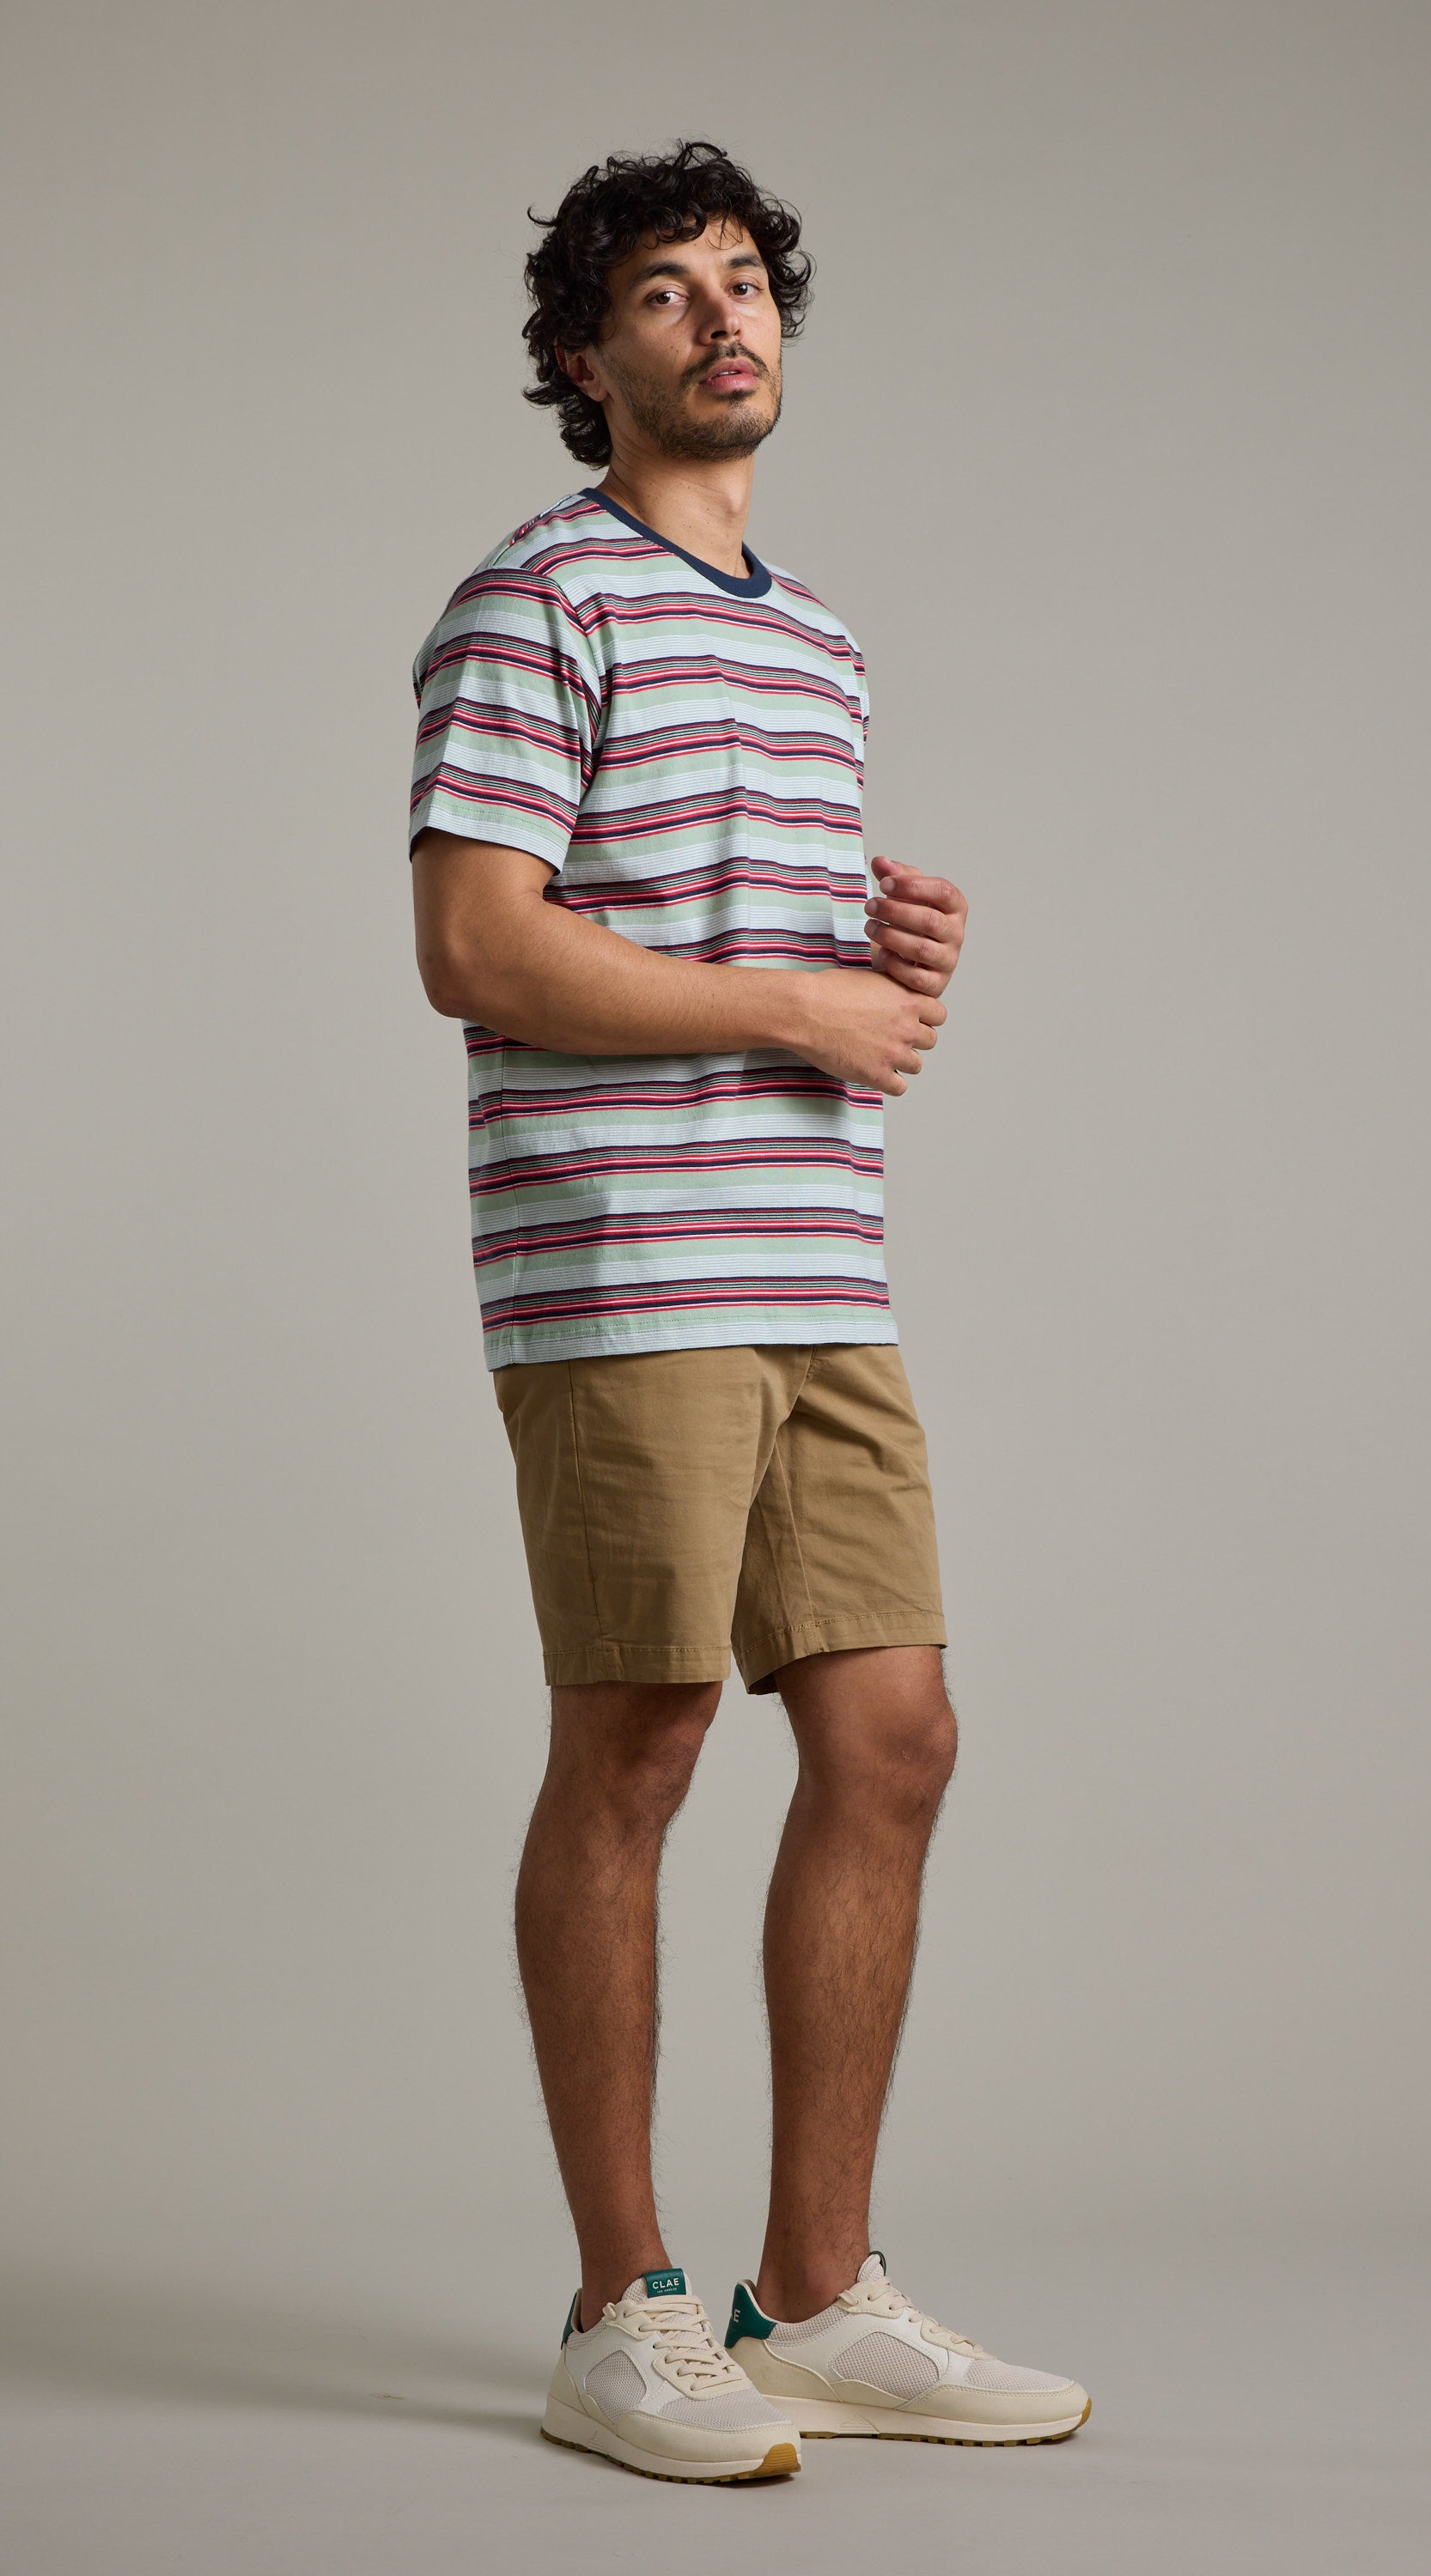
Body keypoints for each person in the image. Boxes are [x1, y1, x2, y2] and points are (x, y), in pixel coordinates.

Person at [409, 139, 1088, 2485]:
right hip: (624, 1264)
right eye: (663, 294)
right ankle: (622, 2311)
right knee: (642, 1744)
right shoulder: (534, 601)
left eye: (743, 283)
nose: (722, 319)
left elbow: (747, 951)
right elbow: (476, 944)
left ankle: (809, 2295)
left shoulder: (818, 640)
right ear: (583, 359)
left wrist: (884, 964)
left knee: (895, 1739)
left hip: (818, 1257)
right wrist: (799, 1004)